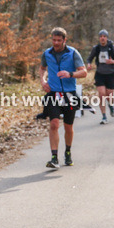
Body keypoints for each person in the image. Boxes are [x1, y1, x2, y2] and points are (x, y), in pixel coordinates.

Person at [40, 27, 87, 167]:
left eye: (59, 40)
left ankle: (67, 152)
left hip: (69, 94)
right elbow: (42, 68)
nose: (55, 43)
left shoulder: (73, 53)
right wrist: (43, 81)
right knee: (54, 124)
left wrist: (70, 74)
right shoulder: (47, 53)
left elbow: (83, 72)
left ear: (64, 40)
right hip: (53, 93)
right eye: (53, 40)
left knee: (68, 126)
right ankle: (54, 158)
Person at [86, 30, 114, 124]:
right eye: (101, 36)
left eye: (104, 36)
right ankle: (104, 116)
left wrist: (113, 62)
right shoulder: (96, 48)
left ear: (107, 37)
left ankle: (111, 105)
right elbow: (89, 58)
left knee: (109, 95)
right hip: (100, 74)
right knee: (101, 95)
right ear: (99, 38)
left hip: (111, 74)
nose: (102, 38)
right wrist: (89, 64)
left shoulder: (112, 47)